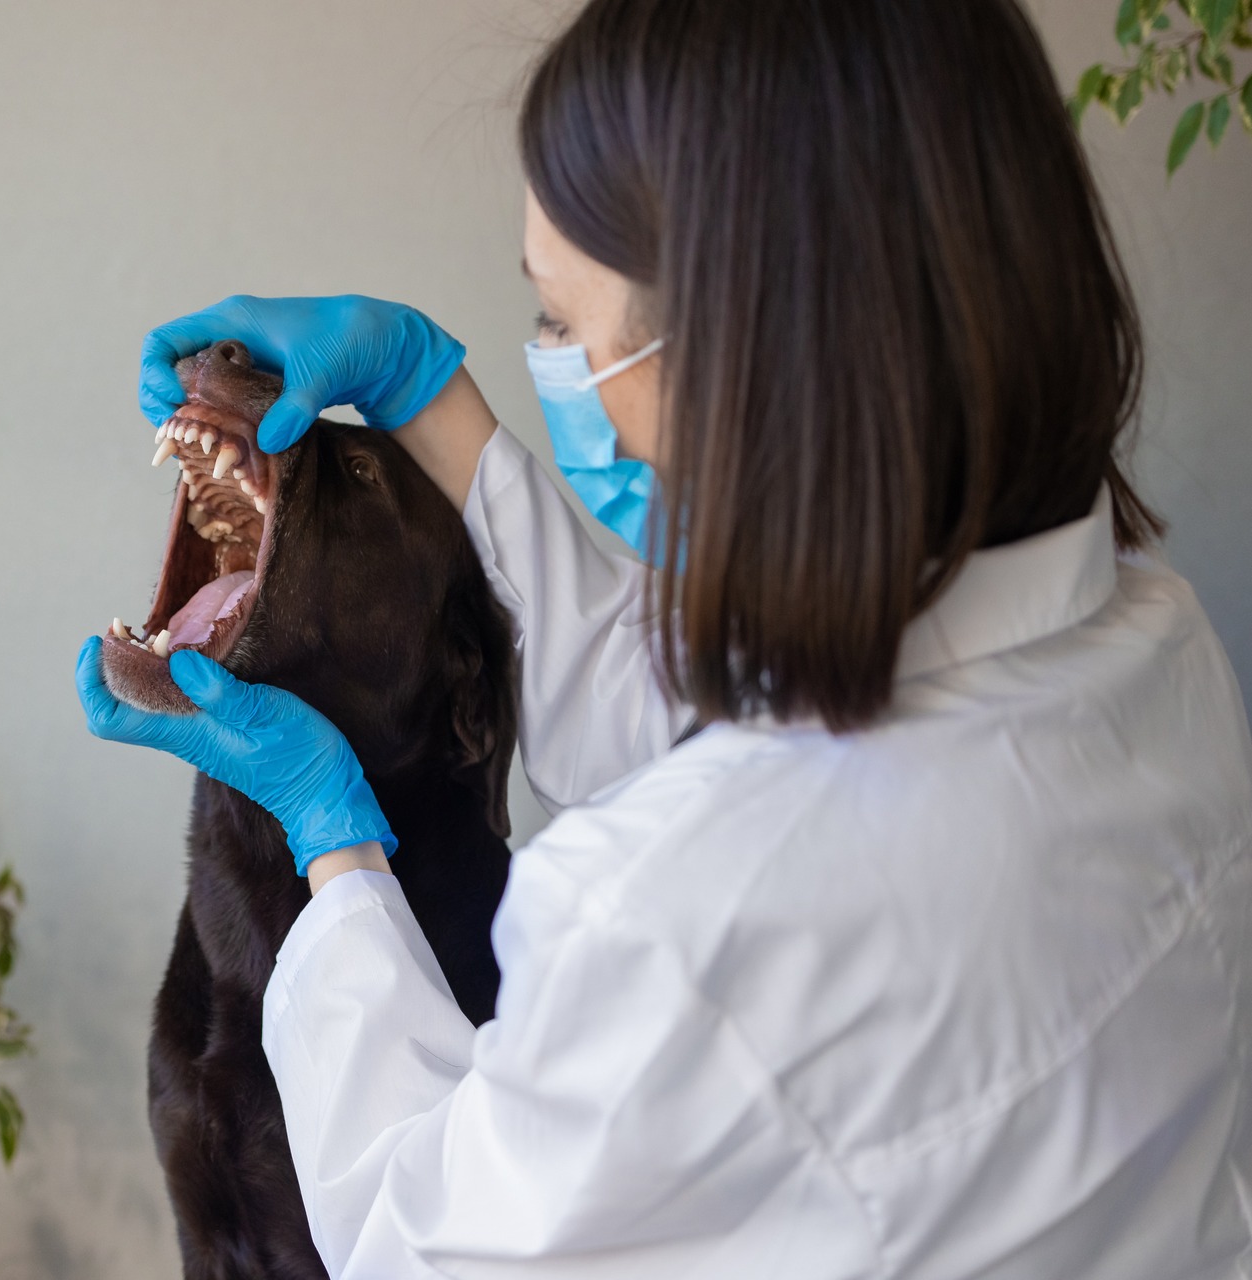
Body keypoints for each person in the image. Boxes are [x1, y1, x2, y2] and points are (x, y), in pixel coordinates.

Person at [75, 0, 1252, 1274]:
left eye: (571, 332)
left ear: (767, 352)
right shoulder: (1153, 640)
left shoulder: (687, 915)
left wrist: (335, 839)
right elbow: (690, 713)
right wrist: (425, 389)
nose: (561, 372)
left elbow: (415, 1240)